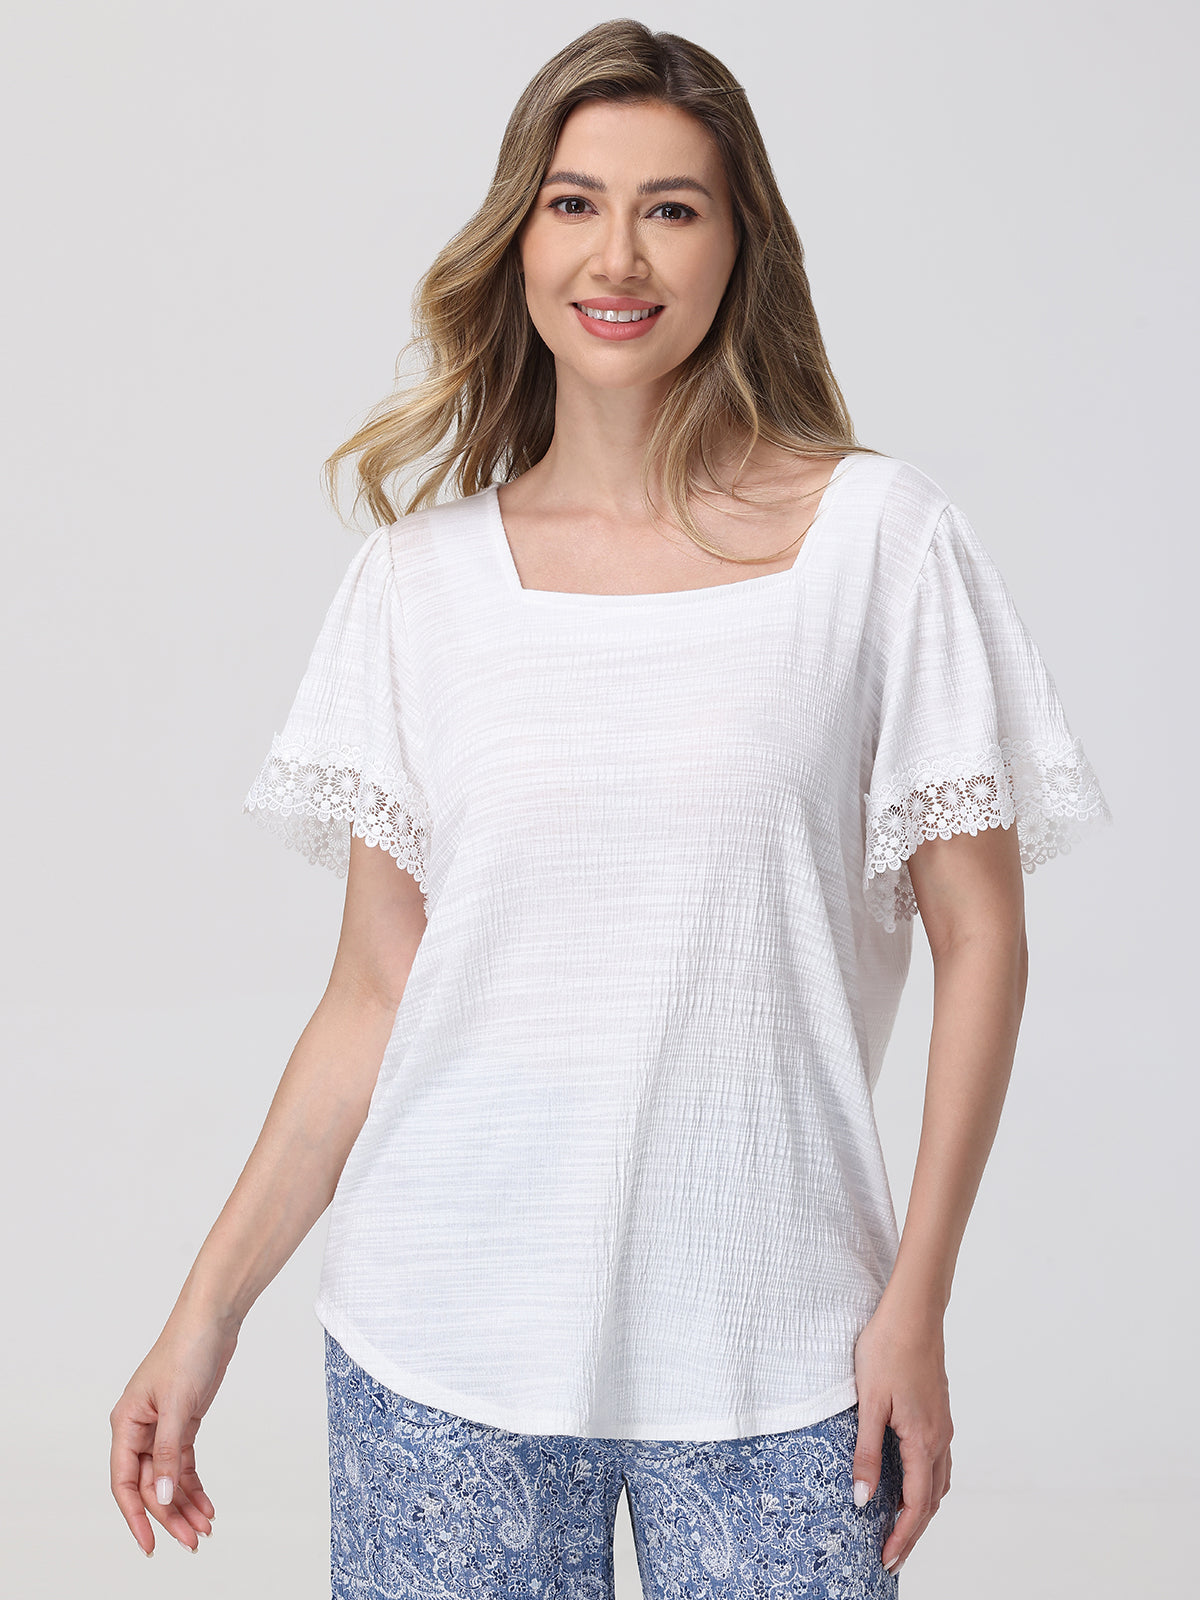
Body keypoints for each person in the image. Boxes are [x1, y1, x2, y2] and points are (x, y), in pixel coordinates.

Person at [108, 19, 1113, 1597]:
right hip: (441, 1347)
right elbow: (374, 992)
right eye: (574, 203)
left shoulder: (878, 545)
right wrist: (204, 1312)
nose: (617, 255)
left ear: (739, 245)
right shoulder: (419, 587)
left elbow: (981, 939)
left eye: (672, 207)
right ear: (521, 237)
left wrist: (917, 1298)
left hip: (785, 1348)